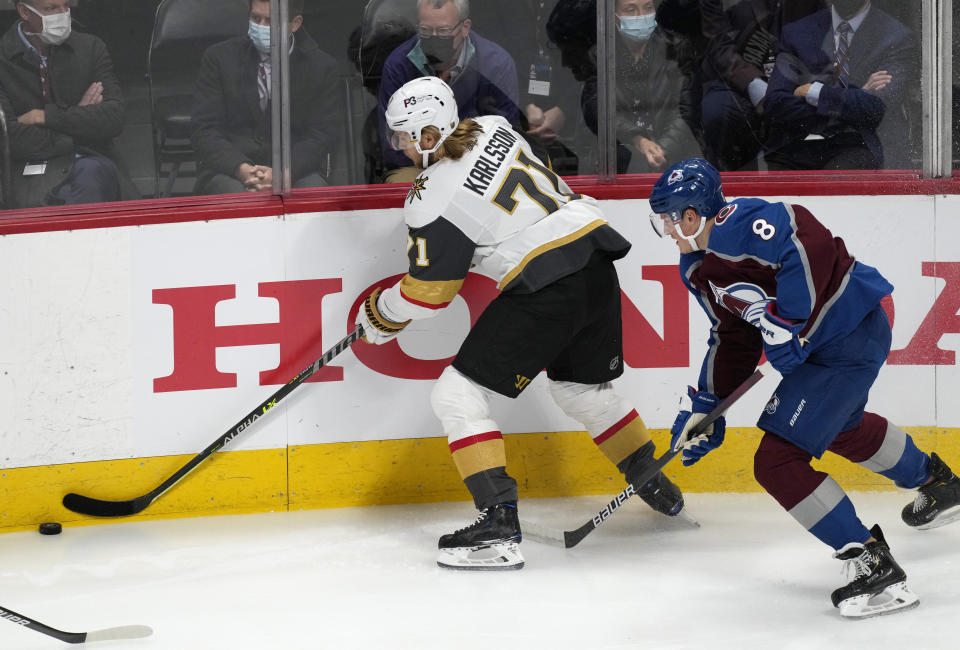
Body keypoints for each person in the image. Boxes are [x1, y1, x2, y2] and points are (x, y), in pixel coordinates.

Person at [355, 76, 686, 571]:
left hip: (547, 284)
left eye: (405, 135)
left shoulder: (429, 196)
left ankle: (497, 527)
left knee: (456, 396)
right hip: (595, 262)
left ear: (429, 134)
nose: (397, 144)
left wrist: (382, 314)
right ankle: (651, 477)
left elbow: (431, 292)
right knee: (581, 391)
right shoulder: (495, 128)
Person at [648, 158, 960, 618]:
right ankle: (939, 484)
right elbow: (731, 336)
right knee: (839, 427)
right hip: (825, 348)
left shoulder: (741, 224)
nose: (668, 232)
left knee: (777, 461)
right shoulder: (696, 268)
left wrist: (784, 323)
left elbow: (803, 235)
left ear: (692, 215)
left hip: (850, 329)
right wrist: (708, 403)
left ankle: (872, 565)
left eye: (669, 221)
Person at [191, 0, 340, 195]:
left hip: (296, 171)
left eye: (270, 21)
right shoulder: (219, 58)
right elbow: (204, 130)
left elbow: (322, 135)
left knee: (314, 195)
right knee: (234, 196)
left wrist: (283, 173)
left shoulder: (323, 67)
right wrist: (242, 169)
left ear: (295, 23)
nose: (260, 27)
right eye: (255, 18)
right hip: (231, 171)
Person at [0, 0, 137, 208]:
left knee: (90, 185)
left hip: (90, 160)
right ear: (24, 12)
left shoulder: (90, 48)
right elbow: (11, 138)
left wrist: (44, 116)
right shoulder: (3, 59)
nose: (62, 14)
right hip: (26, 169)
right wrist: (79, 116)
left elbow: (114, 117)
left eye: (65, 6)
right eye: (51, 8)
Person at [376, 0, 520, 184]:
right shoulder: (398, 65)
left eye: (443, 31)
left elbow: (506, 133)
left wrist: (457, 162)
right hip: (418, 166)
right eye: (425, 30)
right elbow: (393, 145)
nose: (434, 38)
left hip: (480, 164)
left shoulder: (494, 64)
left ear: (465, 27)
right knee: (400, 183)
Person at [762, 0, 916, 170]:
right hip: (797, 147)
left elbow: (878, 106)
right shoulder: (798, 32)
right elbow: (775, 103)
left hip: (862, 147)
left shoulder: (896, 36)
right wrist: (859, 94)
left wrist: (815, 92)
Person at [699, 0, 823, 171]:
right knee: (718, 112)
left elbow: (823, 33)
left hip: (796, 83)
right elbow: (717, 42)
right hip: (735, 85)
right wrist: (752, 82)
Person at [581, 0, 701, 174]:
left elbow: (688, 109)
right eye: (631, 9)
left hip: (675, 153)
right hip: (619, 158)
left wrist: (662, 150)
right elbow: (596, 109)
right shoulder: (599, 54)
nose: (641, 16)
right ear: (615, 18)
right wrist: (638, 140)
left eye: (648, 8)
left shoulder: (676, 47)